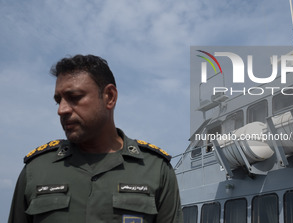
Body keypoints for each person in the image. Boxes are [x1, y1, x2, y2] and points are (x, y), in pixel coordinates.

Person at [8, 54, 183, 223]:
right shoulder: (36, 171)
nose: (61, 110)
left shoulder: (155, 170)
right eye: (58, 100)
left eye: (74, 98)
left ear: (110, 97)